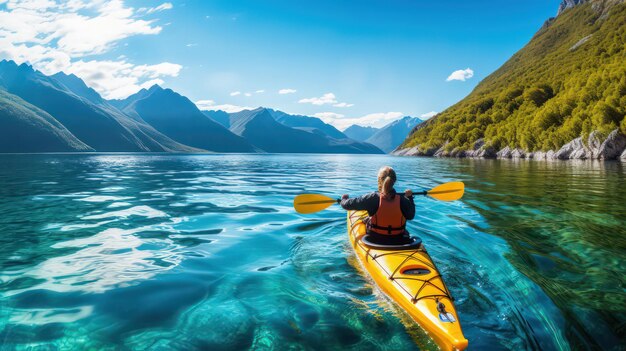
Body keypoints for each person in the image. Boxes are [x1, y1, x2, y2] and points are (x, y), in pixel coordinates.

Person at [340, 166, 415, 245]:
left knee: (367, 220)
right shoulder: (403, 199)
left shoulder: (372, 198)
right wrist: (410, 198)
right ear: (394, 181)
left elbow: (346, 205)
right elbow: (411, 216)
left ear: (379, 180)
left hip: (375, 239)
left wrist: (344, 199)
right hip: (399, 239)